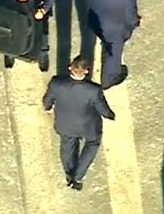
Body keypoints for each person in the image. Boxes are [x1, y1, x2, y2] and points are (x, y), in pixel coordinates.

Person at [41, 55, 115, 190]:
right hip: (87, 125)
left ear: (70, 68)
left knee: (67, 147)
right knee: (92, 144)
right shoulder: (93, 90)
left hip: (65, 123)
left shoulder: (57, 83)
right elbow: (101, 107)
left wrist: (48, 108)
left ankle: (69, 174)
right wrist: (110, 115)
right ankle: (78, 176)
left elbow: (47, 99)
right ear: (86, 71)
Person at [83, 0, 141, 88]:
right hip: (115, 31)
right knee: (113, 55)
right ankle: (109, 80)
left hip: (96, 21)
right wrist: (138, 21)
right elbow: (131, 19)